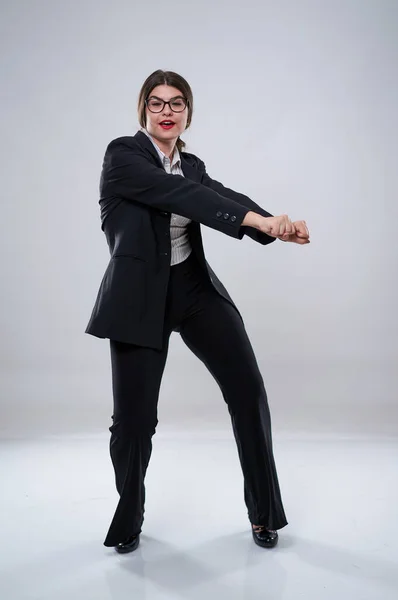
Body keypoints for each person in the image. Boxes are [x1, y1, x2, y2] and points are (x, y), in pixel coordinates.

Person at [85, 69, 310, 554]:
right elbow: (184, 198)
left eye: (177, 103)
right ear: (144, 109)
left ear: (188, 112)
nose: (167, 111)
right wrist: (255, 220)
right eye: (158, 103)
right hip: (139, 298)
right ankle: (129, 517)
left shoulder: (191, 164)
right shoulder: (123, 155)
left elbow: (218, 196)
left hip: (193, 289)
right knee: (134, 423)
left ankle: (263, 515)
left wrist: (274, 225)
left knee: (248, 390)